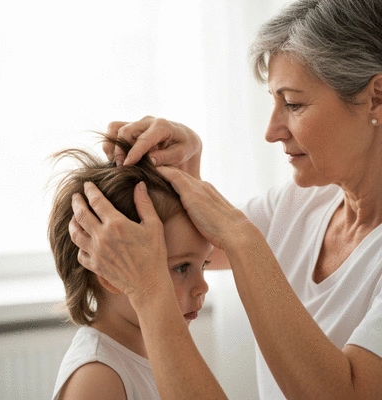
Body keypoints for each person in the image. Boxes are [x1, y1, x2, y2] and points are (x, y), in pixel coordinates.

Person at [68, 0, 382, 399]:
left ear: (376, 97)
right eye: (273, 101)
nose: (272, 130)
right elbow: (195, 246)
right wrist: (186, 172)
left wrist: (242, 237)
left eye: (294, 103)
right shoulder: (303, 203)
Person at [48, 138, 213, 400]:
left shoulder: (154, 354)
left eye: (203, 264)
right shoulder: (98, 376)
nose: (203, 286)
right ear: (110, 270)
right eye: (181, 267)